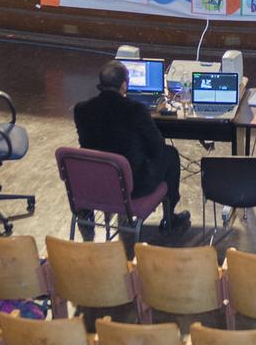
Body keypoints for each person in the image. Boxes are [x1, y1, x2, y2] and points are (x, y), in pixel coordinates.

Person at [73, 59, 189, 234]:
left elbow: (87, 144)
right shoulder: (135, 110)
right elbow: (157, 146)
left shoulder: (81, 110)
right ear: (124, 85)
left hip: (97, 182)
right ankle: (169, 218)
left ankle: (87, 213)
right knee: (170, 154)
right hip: (134, 186)